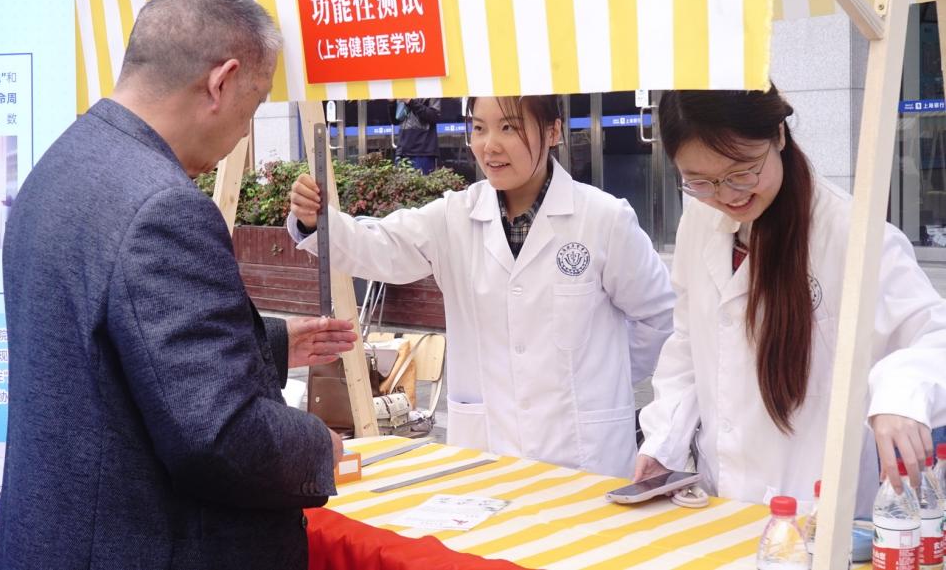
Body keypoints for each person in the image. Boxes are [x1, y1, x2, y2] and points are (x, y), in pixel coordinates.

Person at [0, 0, 357, 570]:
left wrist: (267, 343)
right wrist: (318, 445)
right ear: (222, 82)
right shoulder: (163, 206)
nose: (246, 130)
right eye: (254, 105)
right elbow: (221, 436)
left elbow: (106, 348)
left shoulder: (61, 164)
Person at [288, 95, 674, 477]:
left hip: (586, 456)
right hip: (487, 452)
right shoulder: (454, 218)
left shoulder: (604, 219)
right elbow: (378, 247)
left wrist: (600, 377)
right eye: (478, 128)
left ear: (553, 131)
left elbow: (660, 317)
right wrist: (314, 221)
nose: (490, 145)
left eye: (509, 127)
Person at [636, 86, 946, 515]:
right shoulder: (700, 219)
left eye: (742, 171)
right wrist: (662, 443)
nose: (727, 195)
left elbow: (934, 335)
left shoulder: (851, 233)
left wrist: (901, 392)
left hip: (812, 507)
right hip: (716, 500)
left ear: (779, 135)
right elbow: (689, 344)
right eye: (700, 181)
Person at [393, 98, 440, 174]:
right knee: (399, 180)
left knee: (422, 180)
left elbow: (434, 116)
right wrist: (391, 103)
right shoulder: (403, 91)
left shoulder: (431, 91)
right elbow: (395, 120)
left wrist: (410, 101)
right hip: (402, 149)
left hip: (422, 149)